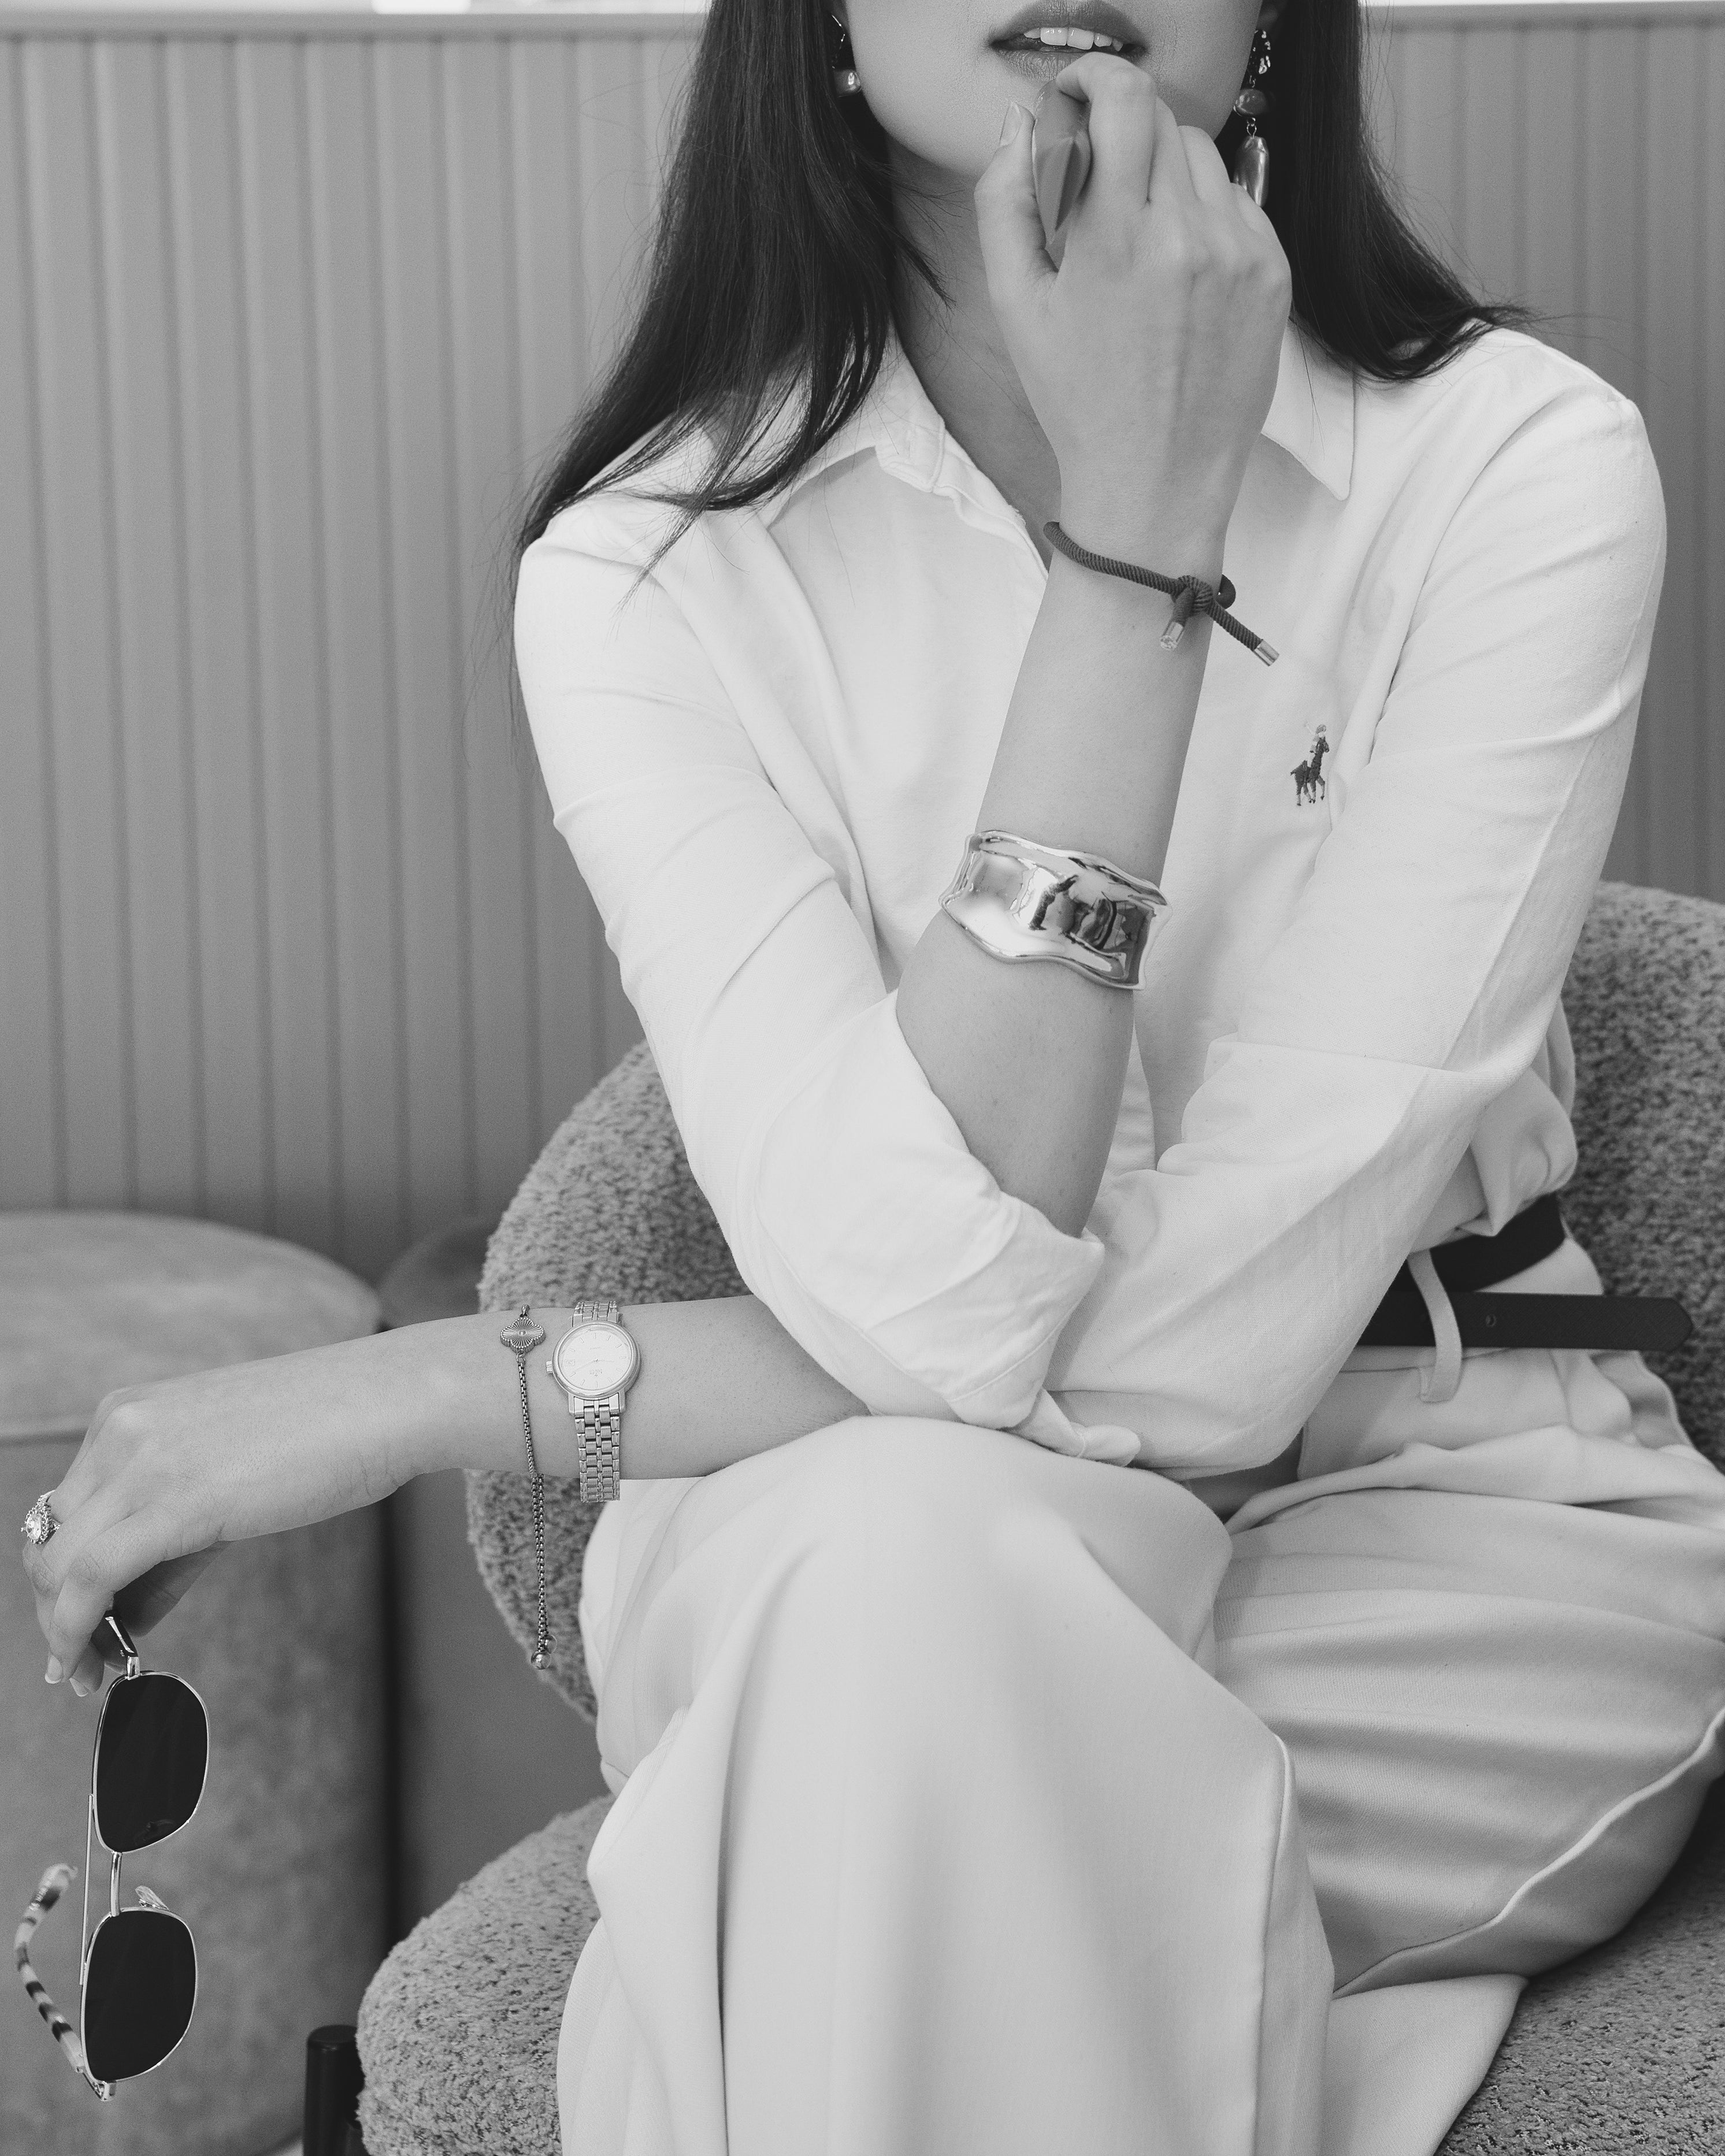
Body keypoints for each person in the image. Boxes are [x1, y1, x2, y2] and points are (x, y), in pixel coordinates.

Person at [22, 2, 1725, 2152]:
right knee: (909, 1583)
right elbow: (927, 1327)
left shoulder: (1513, 467)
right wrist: (1139, 552)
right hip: (842, 1541)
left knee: (870, 1706)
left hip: (1434, 1554)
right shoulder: (647, 575)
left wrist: (458, 1383)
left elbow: (1203, 1367)